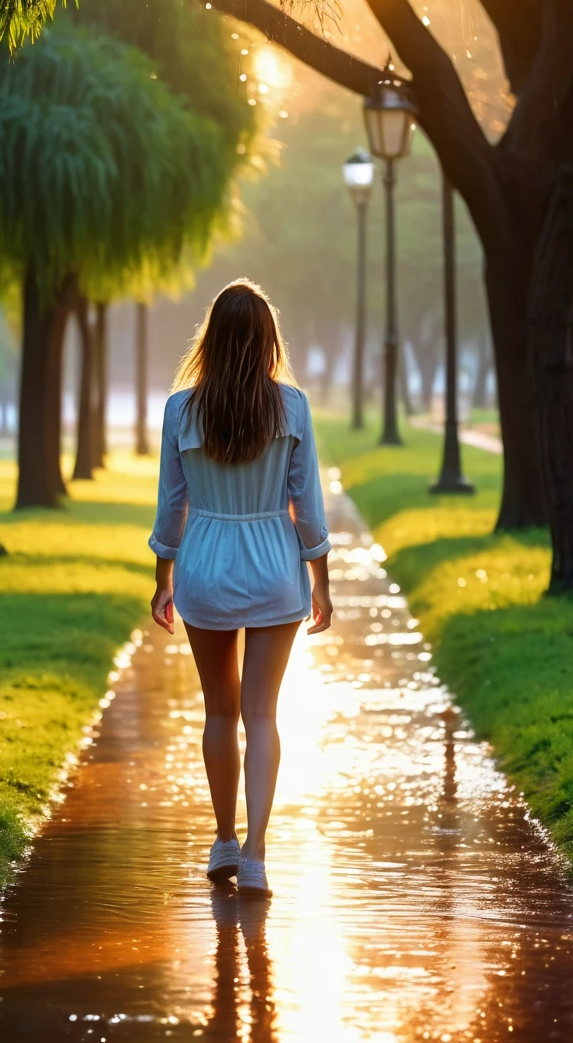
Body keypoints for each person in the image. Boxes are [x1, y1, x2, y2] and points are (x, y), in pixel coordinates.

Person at [149, 279, 333, 897]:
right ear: (267, 340)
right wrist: (321, 580)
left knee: (220, 712)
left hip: (204, 565)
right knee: (262, 714)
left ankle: (223, 838)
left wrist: (162, 579)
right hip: (274, 568)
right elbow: (306, 504)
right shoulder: (292, 406)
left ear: (212, 338)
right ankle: (255, 852)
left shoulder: (182, 409)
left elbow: (172, 504)